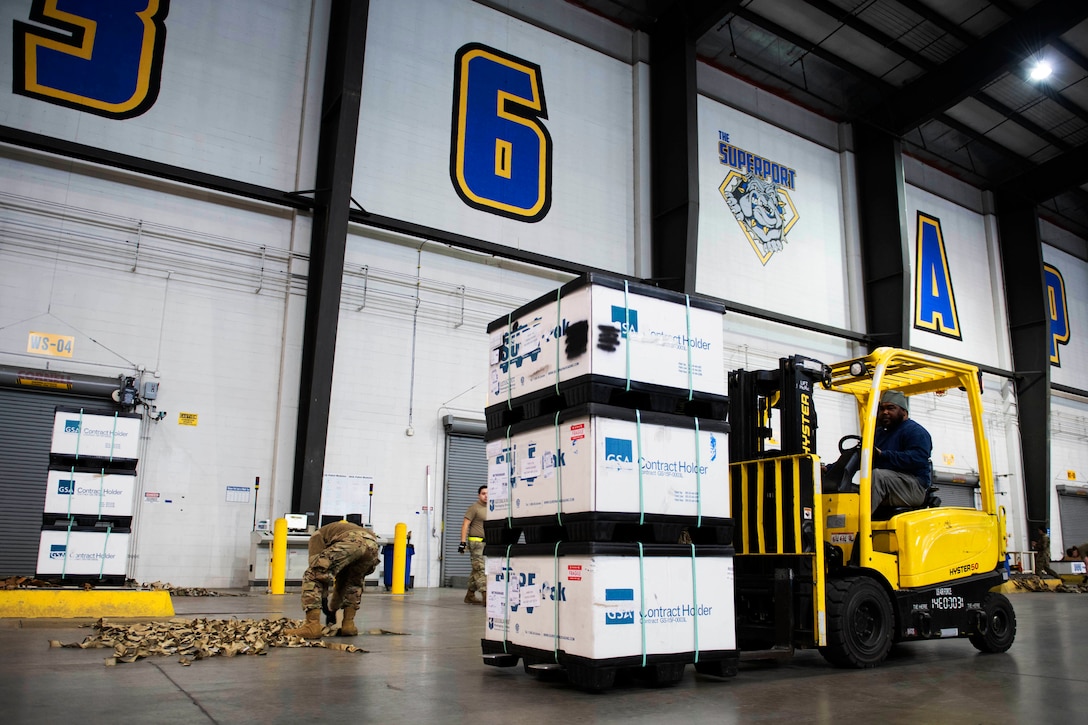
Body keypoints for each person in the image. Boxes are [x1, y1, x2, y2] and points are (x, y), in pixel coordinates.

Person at [286, 520, 379, 639]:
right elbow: (341, 583)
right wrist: (332, 610)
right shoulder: (343, 529)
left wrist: (323, 601)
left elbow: (319, 573)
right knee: (353, 582)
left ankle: (311, 626)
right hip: (372, 545)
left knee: (313, 575)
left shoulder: (317, 535)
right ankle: (348, 625)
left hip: (352, 541)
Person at [844, 390, 932, 516]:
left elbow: (917, 459)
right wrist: (830, 469)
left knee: (878, 476)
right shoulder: (878, 434)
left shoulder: (915, 431)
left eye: (891, 408)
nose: (885, 412)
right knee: (846, 489)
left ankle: (858, 525)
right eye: (882, 409)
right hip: (888, 486)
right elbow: (860, 458)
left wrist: (883, 455)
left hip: (914, 487)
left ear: (904, 412)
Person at [458, 485, 487, 605]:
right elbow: (465, 525)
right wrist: (463, 542)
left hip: (487, 542)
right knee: (481, 569)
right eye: (483, 493)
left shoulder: (492, 508)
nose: (486, 496)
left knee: (476, 568)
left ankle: (470, 595)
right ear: (478, 495)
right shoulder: (474, 508)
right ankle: (486, 596)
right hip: (476, 543)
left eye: (488, 493)